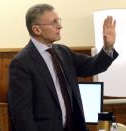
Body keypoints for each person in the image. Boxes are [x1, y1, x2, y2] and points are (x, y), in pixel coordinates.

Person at [8, 3, 118, 131]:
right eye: (54, 22)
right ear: (37, 29)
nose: (60, 26)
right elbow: (21, 114)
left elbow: (92, 66)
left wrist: (108, 47)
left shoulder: (63, 52)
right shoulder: (22, 62)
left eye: (59, 21)